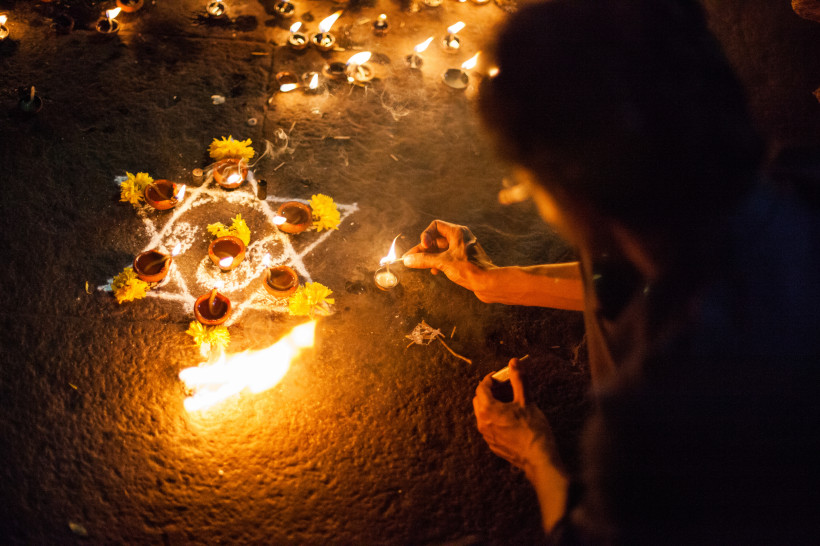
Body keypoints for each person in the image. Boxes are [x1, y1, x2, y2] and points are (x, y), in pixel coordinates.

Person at [402, 0, 820, 543]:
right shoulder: (797, 183)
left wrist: (535, 455)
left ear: (569, 200)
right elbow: (641, 278)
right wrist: (497, 281)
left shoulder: (655, 412)